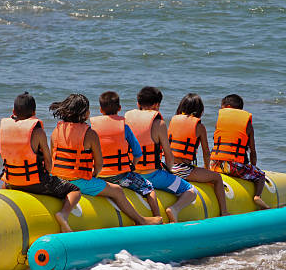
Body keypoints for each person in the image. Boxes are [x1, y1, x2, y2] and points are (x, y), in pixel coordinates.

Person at [48, 93, 162, 226]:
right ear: (85, 113)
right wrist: (93, 176)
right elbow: (99, 163)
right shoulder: (89, 134)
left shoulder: (57, 130)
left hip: (58, 179)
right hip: (78, 181)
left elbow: (53, 157)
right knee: (117, 191)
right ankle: (141, 220)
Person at [0, 92, 81, 232]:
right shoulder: (38, 133)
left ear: (13, 111)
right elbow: (48, 164)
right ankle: (63, 215)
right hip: (37, 183)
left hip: (11, 182)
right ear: (34, 112)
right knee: (75, 190)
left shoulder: (6, 128)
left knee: (4, 184)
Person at [124, 86, 198, 223]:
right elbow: (168, 155)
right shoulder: (159, 124)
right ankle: (174, 209)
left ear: (138, 104)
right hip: (153, 176)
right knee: (191, 191)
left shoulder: (126, 118)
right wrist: (170, 170)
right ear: (157, 105)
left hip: (130, 174)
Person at [90, 91, 162, 218]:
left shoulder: (92, 128)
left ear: (101, 109)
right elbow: (138, 153)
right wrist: (132, 166)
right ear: (119, 108)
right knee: (149, 188)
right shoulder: (125, 128)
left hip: (98, 176)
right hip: (120, 177)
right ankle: (157, 217)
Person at [168, 93, 230, 216]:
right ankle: (224, 212)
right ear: (199, 110)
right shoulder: (199, 127)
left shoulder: (173, 120)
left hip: (168, 167)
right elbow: (206, 153)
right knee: (217, 178)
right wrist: (208, 170)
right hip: (182, 169)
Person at [209, 94, 270, 210]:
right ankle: (257, 196)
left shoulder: (220, 121)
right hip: (234, 167)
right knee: (261, 175)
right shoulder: (247, 125)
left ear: (226, 107)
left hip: (215, 165)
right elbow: (252, 151)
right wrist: (253, 167)